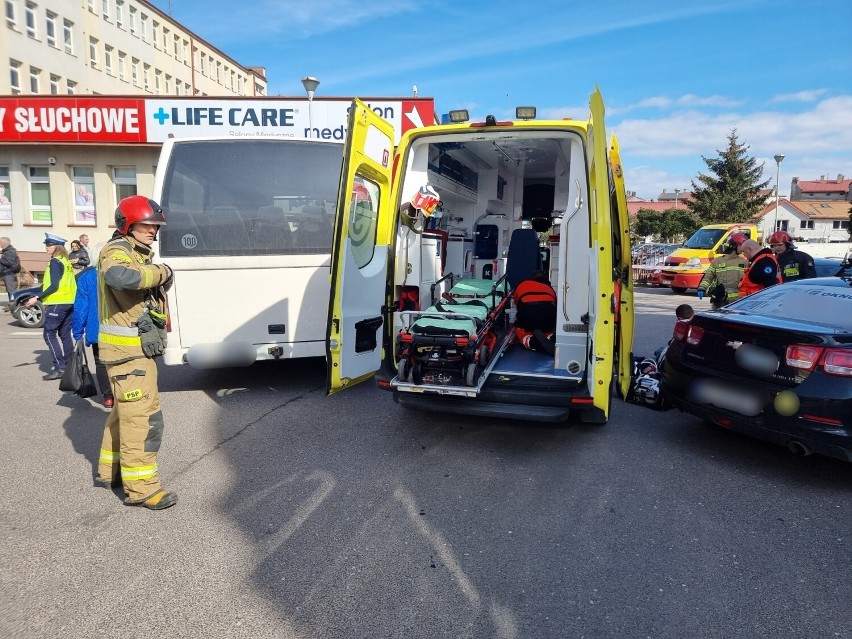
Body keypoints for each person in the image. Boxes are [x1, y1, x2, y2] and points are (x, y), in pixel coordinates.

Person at [97, 195, 176, 510]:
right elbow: (119, 276)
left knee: (124, 417)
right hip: (129, 356)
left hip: (132, 355)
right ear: (127, 224)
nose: (153, 231)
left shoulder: (136, 253)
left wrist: (159, 278)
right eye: (147, 225)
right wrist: (161, 273)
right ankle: (142, 489)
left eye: (155, 227)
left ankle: (111, 472)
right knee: (142, 421)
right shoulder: (117, 251)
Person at [25, 234, 77, 379]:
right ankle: (69, 365)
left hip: (57, 303)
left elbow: (54, 286)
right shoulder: (65, 261)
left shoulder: (55, 262)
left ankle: (60, 367)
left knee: (49, 333)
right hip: (68, 302)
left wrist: (37, 298)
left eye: (49, 245)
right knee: (65, 335)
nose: (46, 247)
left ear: (57, 247)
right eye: (46, 245)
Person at [71, 265, 114, 408]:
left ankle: (108, 397)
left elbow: (81, 308)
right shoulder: (121, 271)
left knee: (101, 363)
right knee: (121, 361)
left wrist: (78, 332)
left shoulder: (87, 277)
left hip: (98, 328)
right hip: (120, 327)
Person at [512, 270, 557, 355]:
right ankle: (551, 337)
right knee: (549, 328)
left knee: (521, 331)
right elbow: (555, 302)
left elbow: (516, 302)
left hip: (529, 313)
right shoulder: (549, 288)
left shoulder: (522, 284)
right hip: (548, 315)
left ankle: (533, 342)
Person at [696, 238, 748, 308]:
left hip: (737, 302)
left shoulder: (744, 262)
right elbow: (708, 277)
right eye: (741, 245)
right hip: (719, 300)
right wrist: (702, 288)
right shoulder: (717, 261)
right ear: (734, 246)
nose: (743, 248)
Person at [0, 236, 21, 303]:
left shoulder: (10, 251)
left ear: (4, 243)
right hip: (3, 273)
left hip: (8, 274)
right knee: (10, 290)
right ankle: (12, 304)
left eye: (0, 242)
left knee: (11, 291)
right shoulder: (5, 251)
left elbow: (9, 262)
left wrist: (0, 258)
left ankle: (15, 305)